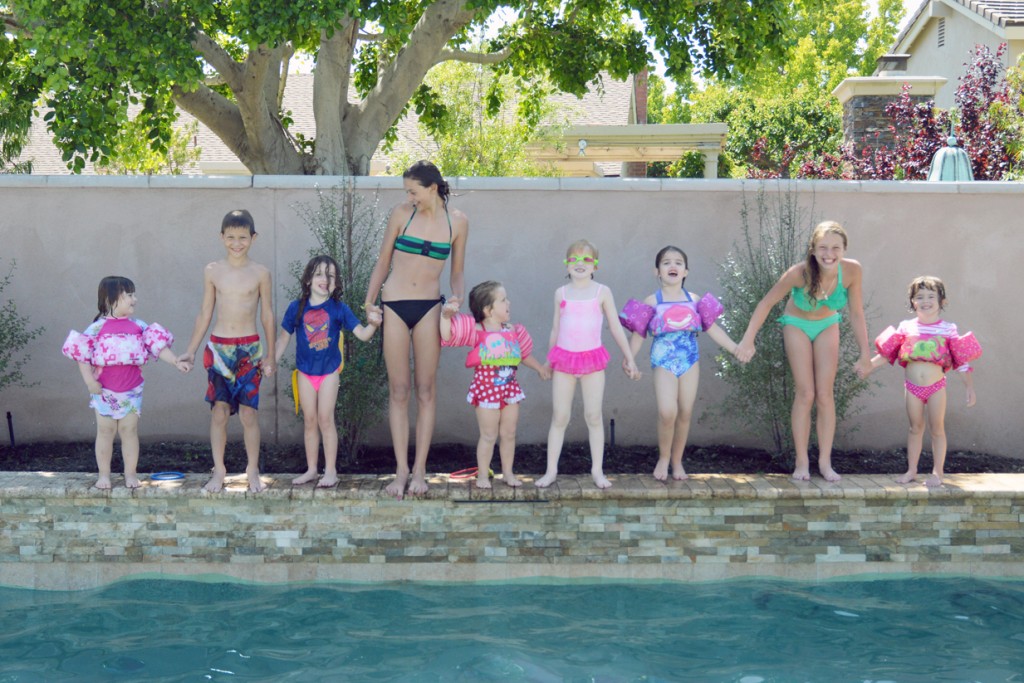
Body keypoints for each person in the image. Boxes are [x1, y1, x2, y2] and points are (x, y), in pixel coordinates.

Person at [735, 220, 872, 482]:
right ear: (812, 249)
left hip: (827, 324)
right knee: (806, 393)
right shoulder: (798, 273)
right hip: (796, 324)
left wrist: (865, 353)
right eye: (823, 247)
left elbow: (856, 313)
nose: (829, 254)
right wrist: (748, 340)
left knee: (824, 394)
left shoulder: (853, 271)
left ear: (844, 249)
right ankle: (801, 461)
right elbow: (766, 303)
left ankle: (825, 461)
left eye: (835, 247)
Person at [364, 161, 468, 499]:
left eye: (413, 191)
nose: (409, 197)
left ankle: (420, 470)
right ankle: (401, 470)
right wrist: (369, 303)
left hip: (429, 308)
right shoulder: (401, 214)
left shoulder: (458, 223)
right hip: (394, 304)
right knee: (399, 390)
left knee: (425, 390)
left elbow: (456, 273)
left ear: (432, 188)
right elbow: (383, 262)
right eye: (406, 191)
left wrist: (456, 297)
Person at [177, 209, 277, 493]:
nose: (237, 243)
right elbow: (205, 312)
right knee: (219, 413)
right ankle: (219, 470)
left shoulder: (261, 273)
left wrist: (270, 354)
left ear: (253, 238)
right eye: (231, 237)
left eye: (242, 237)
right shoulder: (212, 271)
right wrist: (191, 350)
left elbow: (268, 314)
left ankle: (252, 470)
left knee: (249, 414)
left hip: (249, 350)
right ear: (222, 237)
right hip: (219, 349)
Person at [622, 246, 742, 481]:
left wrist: (735, 348)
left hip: (689, 362)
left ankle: (677, 461)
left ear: (686, 271)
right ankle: (663, 458)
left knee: (685, 413)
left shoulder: (695, 300)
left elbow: (713, 329)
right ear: (657, 271)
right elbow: (638, 335)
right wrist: (629, 359)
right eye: (666, 263)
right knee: (668, 412)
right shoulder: (652, 301)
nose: (672, 266)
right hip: (663, 361)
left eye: (678, 262)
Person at [62, 276, 186, 489]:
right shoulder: (96, 328)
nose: (134, 299)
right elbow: (82, 356)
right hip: (103, 390)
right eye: (129, 295)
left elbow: (158, 346)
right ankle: (104, 475)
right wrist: (90, 382)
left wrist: (175, 361)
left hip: (131, 390)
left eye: (133, 294)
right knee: (105, 431)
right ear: (112, 298)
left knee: (129, 430)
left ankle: (130, 474)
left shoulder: (139, 326)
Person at [536, 239, 641, 490]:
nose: (580, 264)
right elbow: (555, 328)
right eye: (574, 258)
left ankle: (597, 470)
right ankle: (551, 471)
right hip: (564, 360)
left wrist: (630, 357)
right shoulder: (560, 293)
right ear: (566, 264)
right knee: (560, 416)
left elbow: (615, 326)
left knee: (593, 416)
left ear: (595, 265)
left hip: (592, 360)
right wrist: (548, 361)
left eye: (586, 259)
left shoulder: (601, 291)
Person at [275, 256, 382, 487]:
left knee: (325, 419)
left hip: (329, 373)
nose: (325, 279)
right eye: (319, 274)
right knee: (310, 420)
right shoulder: (296, 307)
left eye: (330, 275)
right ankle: (312, 469)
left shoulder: (338, 309)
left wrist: (373, 324)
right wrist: (270, 361)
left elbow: (362, 334)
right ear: (308, 280)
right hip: (305, 372)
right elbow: (283, 338)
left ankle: (331, 471)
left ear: (336, 283)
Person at [864, 276, 980, 486]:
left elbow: (961, 361)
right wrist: (868, 365)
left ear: (942, 301)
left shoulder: (948, 329)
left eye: (931, 296)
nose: (925, 300)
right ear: (912, 302)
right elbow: (887, 353)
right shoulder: (906, 327)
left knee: (937, 428)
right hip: (912, 387)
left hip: (936, 387)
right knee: (915, 428)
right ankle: (911, 471)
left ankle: (937, 472)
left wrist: (969, 387)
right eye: (919, 297)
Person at [440, 280, 550, 489]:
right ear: (488, 310)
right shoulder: (475, 329)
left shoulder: (512, 330)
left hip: (509, 388)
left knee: (509, 433)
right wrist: (446, 316)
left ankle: (508, 473)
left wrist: (540, 368)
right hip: (486, 390)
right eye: (503, 300)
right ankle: (483, 474)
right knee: (489, 434)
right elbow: (447, 335)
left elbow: (523, 355)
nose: (509, 302)